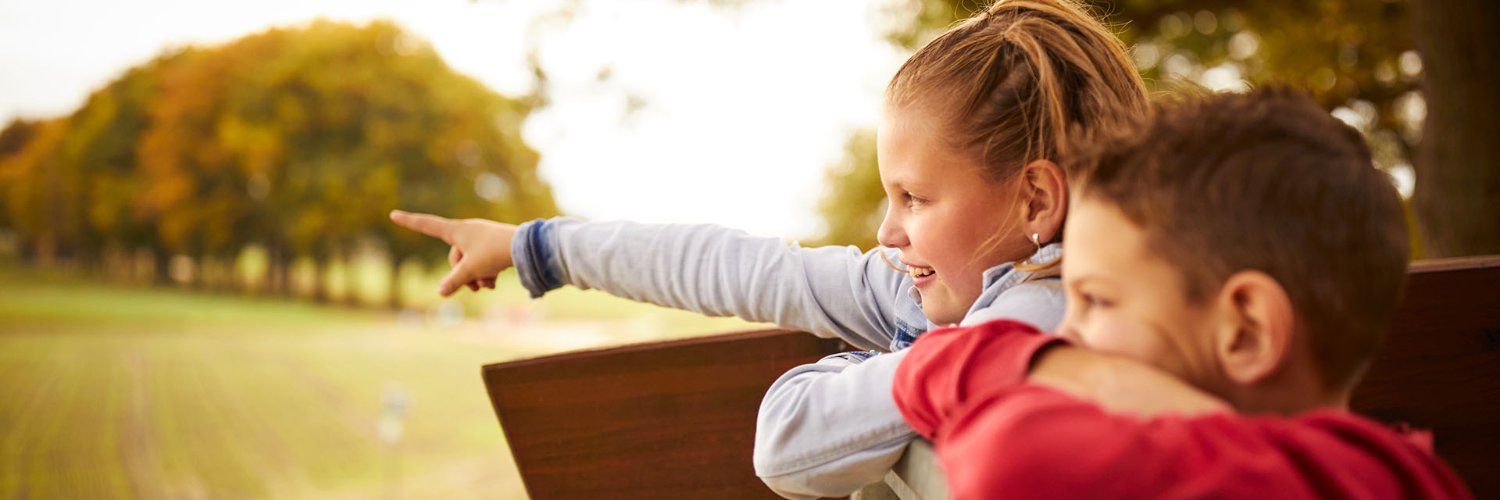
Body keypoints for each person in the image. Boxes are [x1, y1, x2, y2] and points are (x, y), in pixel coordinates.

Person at [390, 0, 1146, 495]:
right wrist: (535, 247)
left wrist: (861, 368)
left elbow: (788, 442)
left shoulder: (1038, 328)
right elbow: (742, 268)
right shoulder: (945, 287)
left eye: (914, 198)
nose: (888, 232)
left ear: (1036, 200)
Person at [892, 87, 1474, 499]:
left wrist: (1093, 379)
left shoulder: (1323, 482)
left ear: (1244, 329)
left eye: (1097, 301)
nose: (1068, 331)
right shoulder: (1377, 467)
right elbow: (925, 367)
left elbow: (1005, 458)